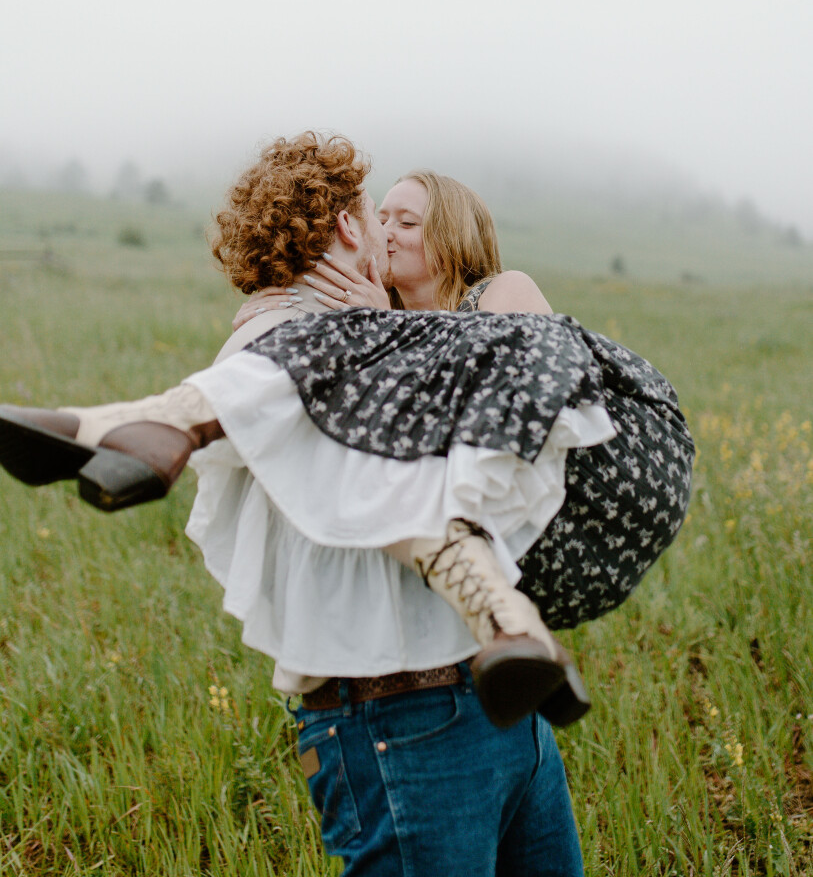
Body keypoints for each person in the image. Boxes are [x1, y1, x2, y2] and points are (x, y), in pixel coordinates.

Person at [0, 133, 694, 875]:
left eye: (407, 219)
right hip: (400, 717)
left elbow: (515, 386)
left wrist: (385, 323)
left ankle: (132, 423)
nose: (387, 231)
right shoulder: (295, 340)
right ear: (347, 228)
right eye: (377, 213)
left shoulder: (374, 339)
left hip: (499, 705)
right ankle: (138, 427)